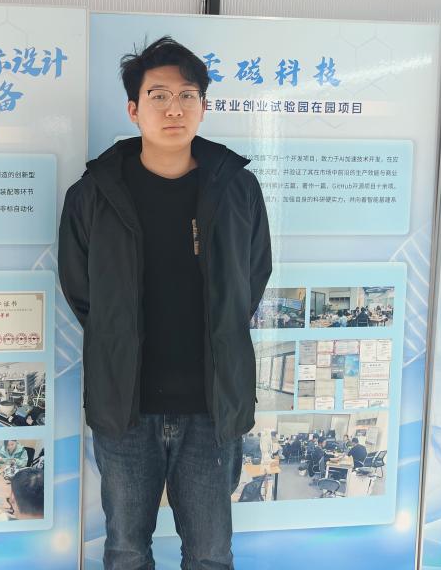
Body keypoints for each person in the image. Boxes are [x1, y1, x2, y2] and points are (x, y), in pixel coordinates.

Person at [58, 37, 272, 570]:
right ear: (134, 109)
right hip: (125, 406)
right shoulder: (93, 194)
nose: (174, 108)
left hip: (212, 407)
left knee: (211, 553)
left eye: (187, 95)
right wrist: (117, 338)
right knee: (126, 549)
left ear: (203, 105)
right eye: (158, 95)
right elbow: (80, 289)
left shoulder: (237, 188)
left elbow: (253, 276)